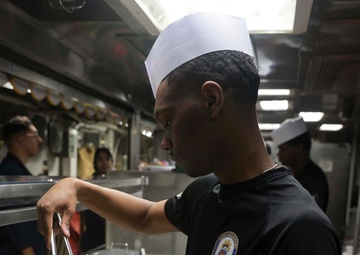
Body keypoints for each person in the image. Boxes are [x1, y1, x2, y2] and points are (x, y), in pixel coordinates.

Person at [37, 13, 341, 254]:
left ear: (212, 101)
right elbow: (143, 217)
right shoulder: (208, 191)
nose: (166, 142)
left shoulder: (299, 229)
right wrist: (77, 187)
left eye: (168, 121)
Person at [0, 115, 46, 255]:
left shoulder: (18, 171)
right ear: (20, 140)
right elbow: (16, 225)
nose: (40, 140)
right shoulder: (9, 173)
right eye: (35, 135)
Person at [271, 116, 330, 212]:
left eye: (283, 149)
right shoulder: (293, 174)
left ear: (298, 148)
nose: (278, 153)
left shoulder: (314, 179)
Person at [80, 147, 113, 252]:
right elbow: (90, 215)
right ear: (95, 163)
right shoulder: (90, 183)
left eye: (107, 159)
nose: (104, 163)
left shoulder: (114, 181)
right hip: (94, 239)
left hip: (110, 237)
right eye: (100, 160)